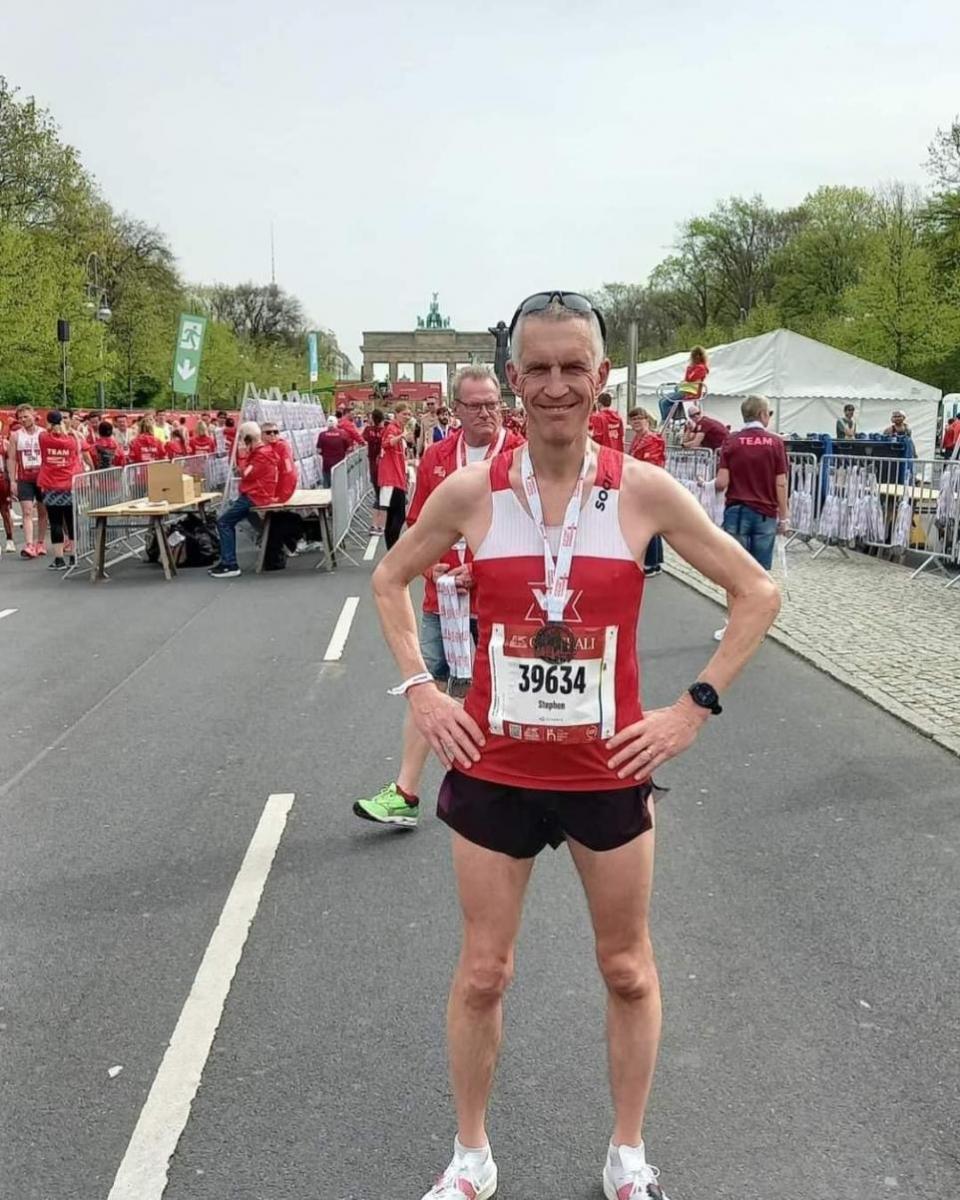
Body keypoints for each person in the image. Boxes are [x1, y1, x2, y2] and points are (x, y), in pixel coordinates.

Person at [372, 291, 779, 1200]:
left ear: (600, 377)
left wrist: (690, 710)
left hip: (607, 774)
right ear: (513, 381)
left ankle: (626, 1154)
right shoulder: (472, 492)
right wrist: (424, 691)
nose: (556, 386)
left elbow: (757, 593)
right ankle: (471, 1154)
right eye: (538, 369)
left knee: (628, 969)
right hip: (496, 771)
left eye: (573, 368)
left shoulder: (641, 490)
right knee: (483, 973)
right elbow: (390, 579)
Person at [354, 365, 523, 829]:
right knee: (427, 689)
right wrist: (431, 567)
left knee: (497, 695)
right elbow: (418, 526)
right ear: (457, 408)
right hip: (441, 600)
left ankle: (501, 789)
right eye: (476, 405)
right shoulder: (437, 457)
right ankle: (406, 792)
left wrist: (484, 569)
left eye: (493, 403)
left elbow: (537, 534)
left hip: (499, 602)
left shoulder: (523, 457)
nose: (487, 412)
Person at [713, 395, 789, 641]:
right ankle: (756, 628)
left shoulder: (731, 442)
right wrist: (784, 517)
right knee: (760, 574)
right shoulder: (775, 443)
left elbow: (722, 482)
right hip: (765, 513)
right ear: (763, 414)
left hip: (736, 511)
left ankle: (732, 626)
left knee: (734, 573)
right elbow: (781, 482)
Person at [209, 421, 278, 579]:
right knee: (247, 522)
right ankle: (227, 560)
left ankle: (230, 563)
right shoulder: (264, 452)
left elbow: (246, 473)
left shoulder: (260, 454)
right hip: (258, 494)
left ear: (247, 439)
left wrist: (242, 457)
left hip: (255, 496)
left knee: (224, 522)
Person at [37, 411, 81, 571]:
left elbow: (43, 432)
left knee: (55, 522)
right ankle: (74, 556)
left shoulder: (43, 438)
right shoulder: (71, 440)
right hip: (69, 484)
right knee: (71, 522)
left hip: (51, 486)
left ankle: (58, 559)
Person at [628, 407, 667, 577]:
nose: (636, 422)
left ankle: (651, 563)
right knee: (650, 524)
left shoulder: (652, 439)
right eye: (633, 420)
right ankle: (655, 561)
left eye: (639, 419)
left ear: (647, 419)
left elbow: (650, 463)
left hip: (649, 484)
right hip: (640, 483)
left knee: (647, 523)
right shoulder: (638, 438)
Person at [6, 404, 48, 558]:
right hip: (24, 478)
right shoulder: (16, 435)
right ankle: (29, 545)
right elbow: (11, 459)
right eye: (20, 418)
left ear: (34, 415)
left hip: (42, 477)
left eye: (26, 416)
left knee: (43, 511)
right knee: (27, 511)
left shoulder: (43, 433)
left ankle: (41, 542)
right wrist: (12, 480)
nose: (23, 420)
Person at [378, 401, 413, 548]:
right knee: (398, 514)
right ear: (397, 414)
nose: (407, 417)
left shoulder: (399, 428)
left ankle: (391, 548)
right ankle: (393, 547)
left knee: (392, 515)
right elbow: (387, 443)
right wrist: (401, 436)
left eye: (409, 414)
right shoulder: (392, 428)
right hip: (391, 478)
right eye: (404, 414)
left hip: (397, 476)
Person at [658, 345, 709, 422]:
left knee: (665, 402)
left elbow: (691, 378)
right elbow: (687, 379)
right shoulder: (693, 367)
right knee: (661, 401)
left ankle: (667, 421)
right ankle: (666, 419)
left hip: (689, 392)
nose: (696, 357)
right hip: (684, 390)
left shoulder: (701, 368)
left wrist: (689, 370)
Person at [363, 409, 386, 535]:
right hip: (383, 466)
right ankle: (379, 525)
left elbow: (363, 439)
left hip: (373, 466)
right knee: (383, 496)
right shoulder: (385, 431)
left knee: (378, 494)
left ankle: (375, 525)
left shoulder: (368, 430)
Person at [316, 415, 354, 488]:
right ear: (336, 423)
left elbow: (318, 450)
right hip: (339, 465)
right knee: (339, 486)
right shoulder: (343, 434)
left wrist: (325, 454)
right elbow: (349, 449)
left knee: (327, 488)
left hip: (326, 465)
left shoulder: (322, 435)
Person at [0, 421, 16, 553]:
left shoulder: (4, 443)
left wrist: (11, 480)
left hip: (2, 481)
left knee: (5, 511)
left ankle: (10, 540)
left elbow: (10, 461)